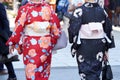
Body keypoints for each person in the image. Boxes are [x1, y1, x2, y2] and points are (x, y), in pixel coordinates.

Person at [6, 0, 61, 80]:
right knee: (43, 72)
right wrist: (51, 41)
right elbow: (56, 29)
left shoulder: (25, 9)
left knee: (31, 70)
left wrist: (14, 42)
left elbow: (18, 28)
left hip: (30, 45)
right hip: (45, 44)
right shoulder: (48, 8)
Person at [68, 0, 115, 80]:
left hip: (84, 45)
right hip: (99, 44)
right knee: (96, 70)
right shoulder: (102, 11)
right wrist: (107, 48)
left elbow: (73, 29)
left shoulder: (80, 10)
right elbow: (108, 29)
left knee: (85, 71)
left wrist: (72, 40)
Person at [0, 2, 17, 80]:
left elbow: (5, 21)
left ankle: (12, 75)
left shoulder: (0, 6)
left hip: (1, 35)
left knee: (5, 56)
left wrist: (6, 35)